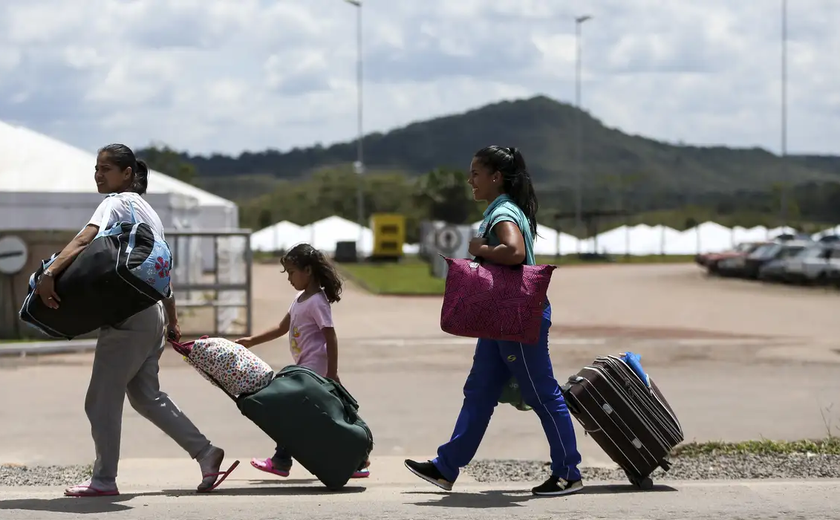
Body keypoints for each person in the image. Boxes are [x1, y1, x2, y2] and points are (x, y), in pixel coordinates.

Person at [34, 144, 238, 497]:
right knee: (146, 397)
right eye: (96, 169)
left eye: (106, 169)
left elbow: (85, 240)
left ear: (127, 174)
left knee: (100, 399)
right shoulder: (150, 214)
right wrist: (171, 318)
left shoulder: (115, 202)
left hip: (128, 317)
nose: (99, 175)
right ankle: (205, 453)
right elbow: (160, 270)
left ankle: (103, 480)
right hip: (151, 313)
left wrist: (49, 273)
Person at [403, 145, 583, 496]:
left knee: (542, 393)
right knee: (479, 390)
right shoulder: (502, 209)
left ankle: (568, 473)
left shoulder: (502, 212)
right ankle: (446, 467)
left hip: (515, 317)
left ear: (495, 177)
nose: (470, 179)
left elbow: (513, 252)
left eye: (475, 173)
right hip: (499, 318)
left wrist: (480, 250)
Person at [235, 243, 370, 479]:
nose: (289, 278)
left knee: (292, 413)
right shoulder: (299, 299)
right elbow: (281, 327)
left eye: (291, 272)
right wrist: (251, 341)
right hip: (304, 370)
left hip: (314, 372)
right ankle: (357, 462)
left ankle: (281, 460)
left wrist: (332, 373)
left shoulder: (317, 302)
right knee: (318, 419)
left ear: (307, 270)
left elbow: (331, 336)